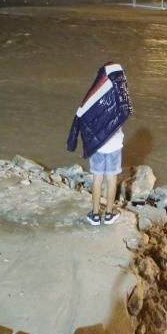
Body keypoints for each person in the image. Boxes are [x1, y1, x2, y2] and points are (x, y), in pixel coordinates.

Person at [66, 62, 133, 225]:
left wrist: (75, 141)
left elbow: (82, 113)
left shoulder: (95, 94)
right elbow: (126, 110)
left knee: (97, 179)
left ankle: (95, 215)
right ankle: (109, 214)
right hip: (115, 145)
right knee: (111, 180)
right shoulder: (120, 92)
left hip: (98, 146)